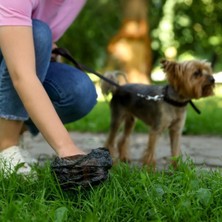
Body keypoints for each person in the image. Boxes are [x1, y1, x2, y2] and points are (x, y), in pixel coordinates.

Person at [0, 0, 112, 184]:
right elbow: (22, 75)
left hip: (18, 54)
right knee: (39, 34)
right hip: (16, 66)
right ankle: (6, 146)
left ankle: (9, 131)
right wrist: (66, 148)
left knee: (78, 91)